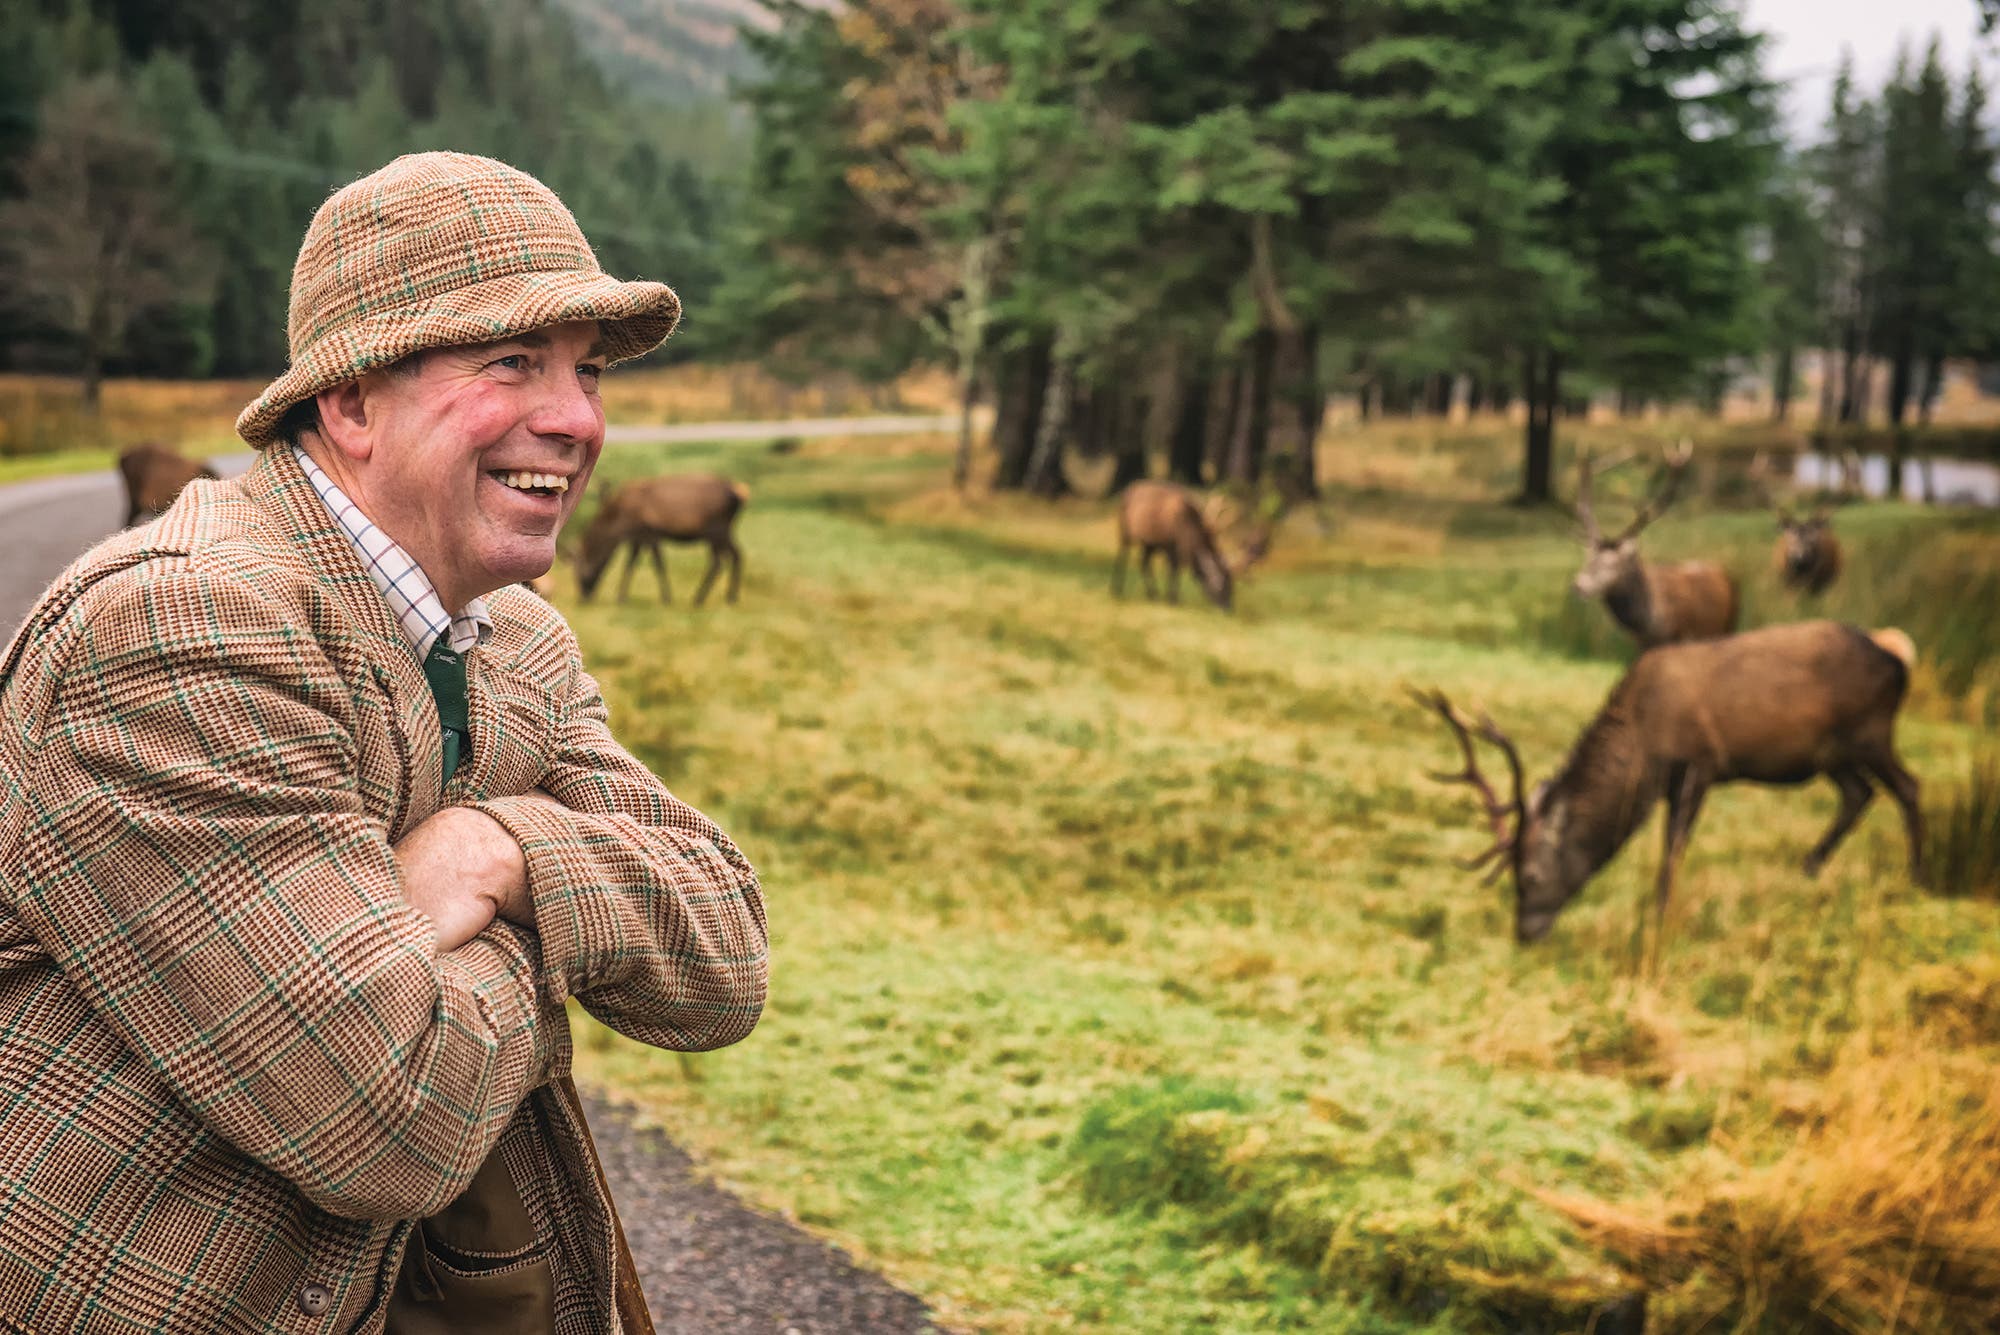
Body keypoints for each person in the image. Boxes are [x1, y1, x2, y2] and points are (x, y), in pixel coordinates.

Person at [0, 151, 768, 1334]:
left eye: (588, 372)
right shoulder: (180, 625)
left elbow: (726, 961)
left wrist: (504, 852)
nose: (575, 419)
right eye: (512, 362)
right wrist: (564, 939)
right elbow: (386, 1116)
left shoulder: (513, 637)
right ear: (351, 403)